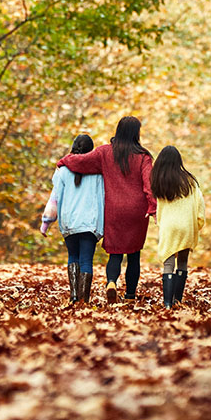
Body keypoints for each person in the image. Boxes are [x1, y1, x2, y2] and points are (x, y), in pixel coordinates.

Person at [57, 116, 155, 302]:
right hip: (137, 211)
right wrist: (153, 206)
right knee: (134, 254)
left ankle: (111, 282)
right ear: (136, 133)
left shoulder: (104, 153)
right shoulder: (144, 156)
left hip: (114, 209)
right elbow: (148, 184)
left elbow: (81, 162)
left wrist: (64, 160)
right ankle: (130, 295)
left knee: (115, 251)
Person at [41, 134, 105, 304]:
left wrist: (46, 222)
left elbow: (55, 197)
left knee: (73, 257)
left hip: (69, 221)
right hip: (89, 222)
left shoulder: (62, 170)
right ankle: (84, 300)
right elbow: (103, 197)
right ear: (91, 150)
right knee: (86, 260)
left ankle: (73, 296)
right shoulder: (99, 172)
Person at [151, 146, 206, 308]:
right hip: (186, 226)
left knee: (168, 264)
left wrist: (161, 223)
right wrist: (197, 224)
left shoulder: (159, 182)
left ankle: (167, 303)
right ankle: (177, 300)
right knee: (182, 262)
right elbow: (200, 206)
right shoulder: (190, 181)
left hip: (169, 226)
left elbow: (159, 208)